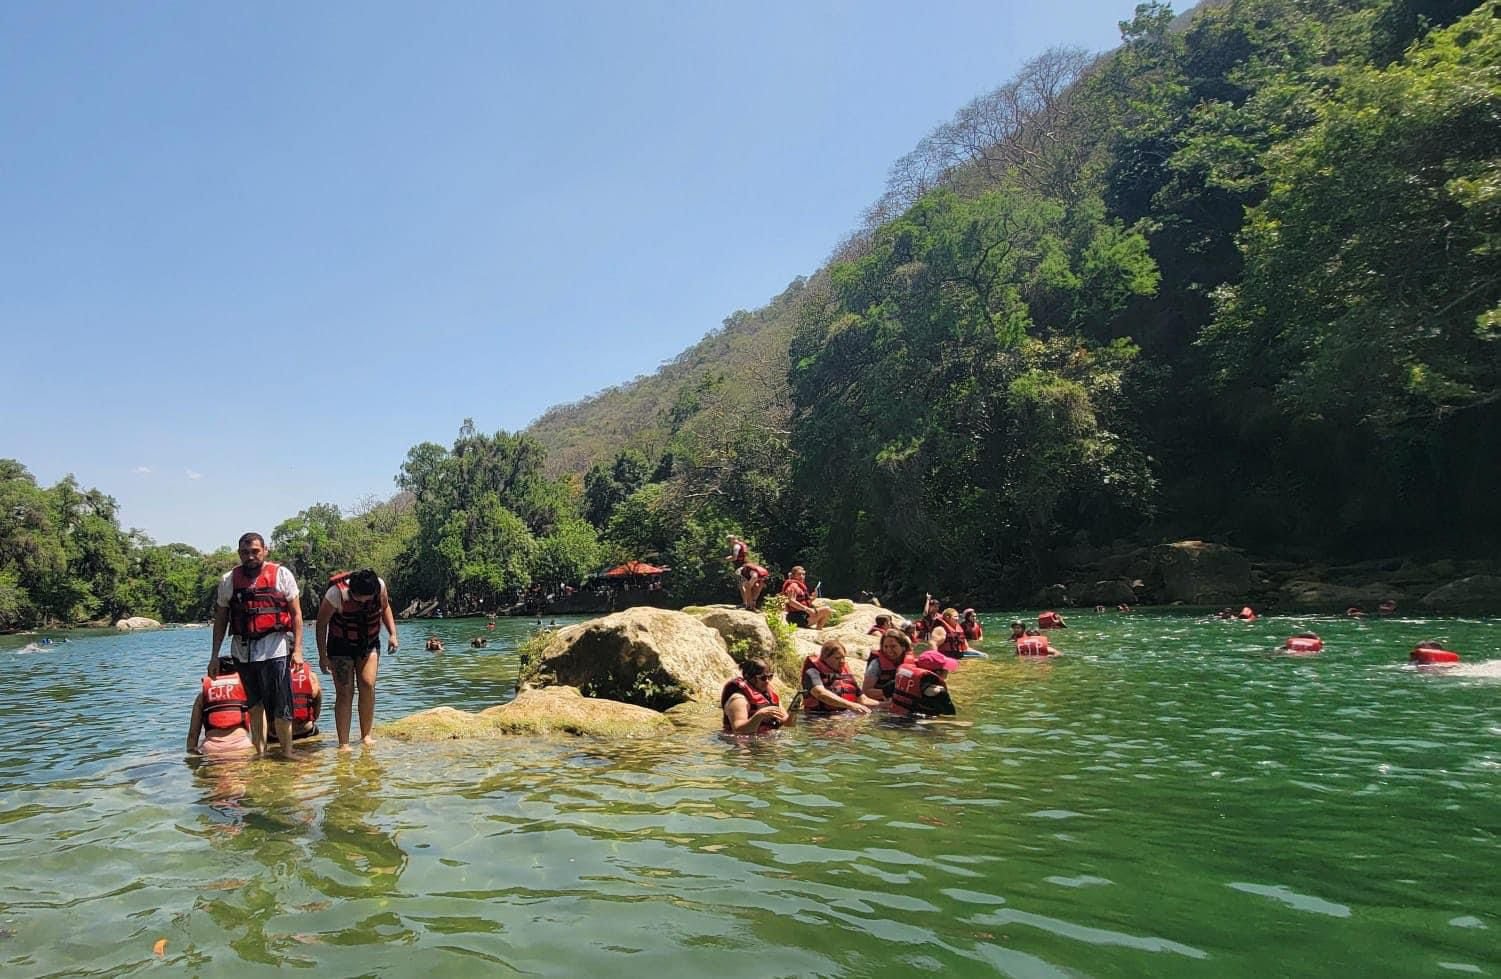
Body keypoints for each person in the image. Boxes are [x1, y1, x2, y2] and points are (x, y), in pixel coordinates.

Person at [207, 532, 303, 757]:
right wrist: (214, 655)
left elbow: (296, 614)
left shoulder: (282, 575)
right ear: (239, 553)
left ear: (265, 550)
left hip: (275, 648)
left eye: (255, 551)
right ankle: (260, 752)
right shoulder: (229, 580)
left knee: (282, 705)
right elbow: (221, 619)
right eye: (244, 552)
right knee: (255, 705)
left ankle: (287, 751)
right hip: (243, 651)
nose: (250, 556)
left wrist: (297, 650)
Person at [316, 568, 398, 751]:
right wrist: (323, 656)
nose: (365, 601)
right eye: (360, 597)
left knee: (368, 684)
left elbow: (385, 608)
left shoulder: (380, 587)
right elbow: (321, 624)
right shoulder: (335, 594)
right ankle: (343, 743)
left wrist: (393, 634)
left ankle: (366, 736)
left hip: (368, 642)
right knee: (345, 692)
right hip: (340, 646)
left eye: (367, 597)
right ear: (352, 591)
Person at [187, 657, 256, 759]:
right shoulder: (246, 691)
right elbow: (257, 725)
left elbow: (193, 734)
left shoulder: (202, 697)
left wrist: (191, 757)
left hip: (211, 750)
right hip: (242, 746)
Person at [801, 639, 877, 715]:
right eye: (837, 658)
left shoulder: (845, 673)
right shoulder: (812, 671)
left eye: (843, 657)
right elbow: (820, 693)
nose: (842, 661)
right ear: (824, 658)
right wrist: (851, 705)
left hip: (845, 716)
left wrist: (886, 704)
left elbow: (863, 700)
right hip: (820, 717)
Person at [721, 657, 789, 734]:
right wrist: (759, 715)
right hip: (743, 743)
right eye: (763, 678)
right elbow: (738, 730)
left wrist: (793, 712)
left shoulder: (770, 696)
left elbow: (788, 723)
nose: (767, 681)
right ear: (749, 677)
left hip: (766, 740)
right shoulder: (738, 700)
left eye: (770, 676)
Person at [889, 650, 958, 718]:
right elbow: (950, 715)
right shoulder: (938, 692)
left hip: (892, 718)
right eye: (945, 669)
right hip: (918, 725)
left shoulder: (902, 681)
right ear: (938, 672)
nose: (947, 671)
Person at [270, 659, 323, 744]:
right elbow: (317, 710)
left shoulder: (271, 674)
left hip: (276, 734)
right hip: (304, 730)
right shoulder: (311, 676)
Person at [863, 628, 916, 701]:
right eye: (886, 646)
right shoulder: (876, 664)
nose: (889, 650)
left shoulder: (913, 663)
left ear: (903, 647)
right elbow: (866, 691)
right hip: (883, 703)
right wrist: (886, 692)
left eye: (893, 646)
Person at [726, 534, 770, 611]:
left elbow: (735, 557)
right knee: (752, 585)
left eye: (728, 542)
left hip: (741, 567)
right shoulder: (743, 544)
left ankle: (745, 603)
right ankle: (750, 603)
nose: (729, 544)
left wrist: (727, 559)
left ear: (730, 541)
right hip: (747, 565)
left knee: (741, 584)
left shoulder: (736, 546)